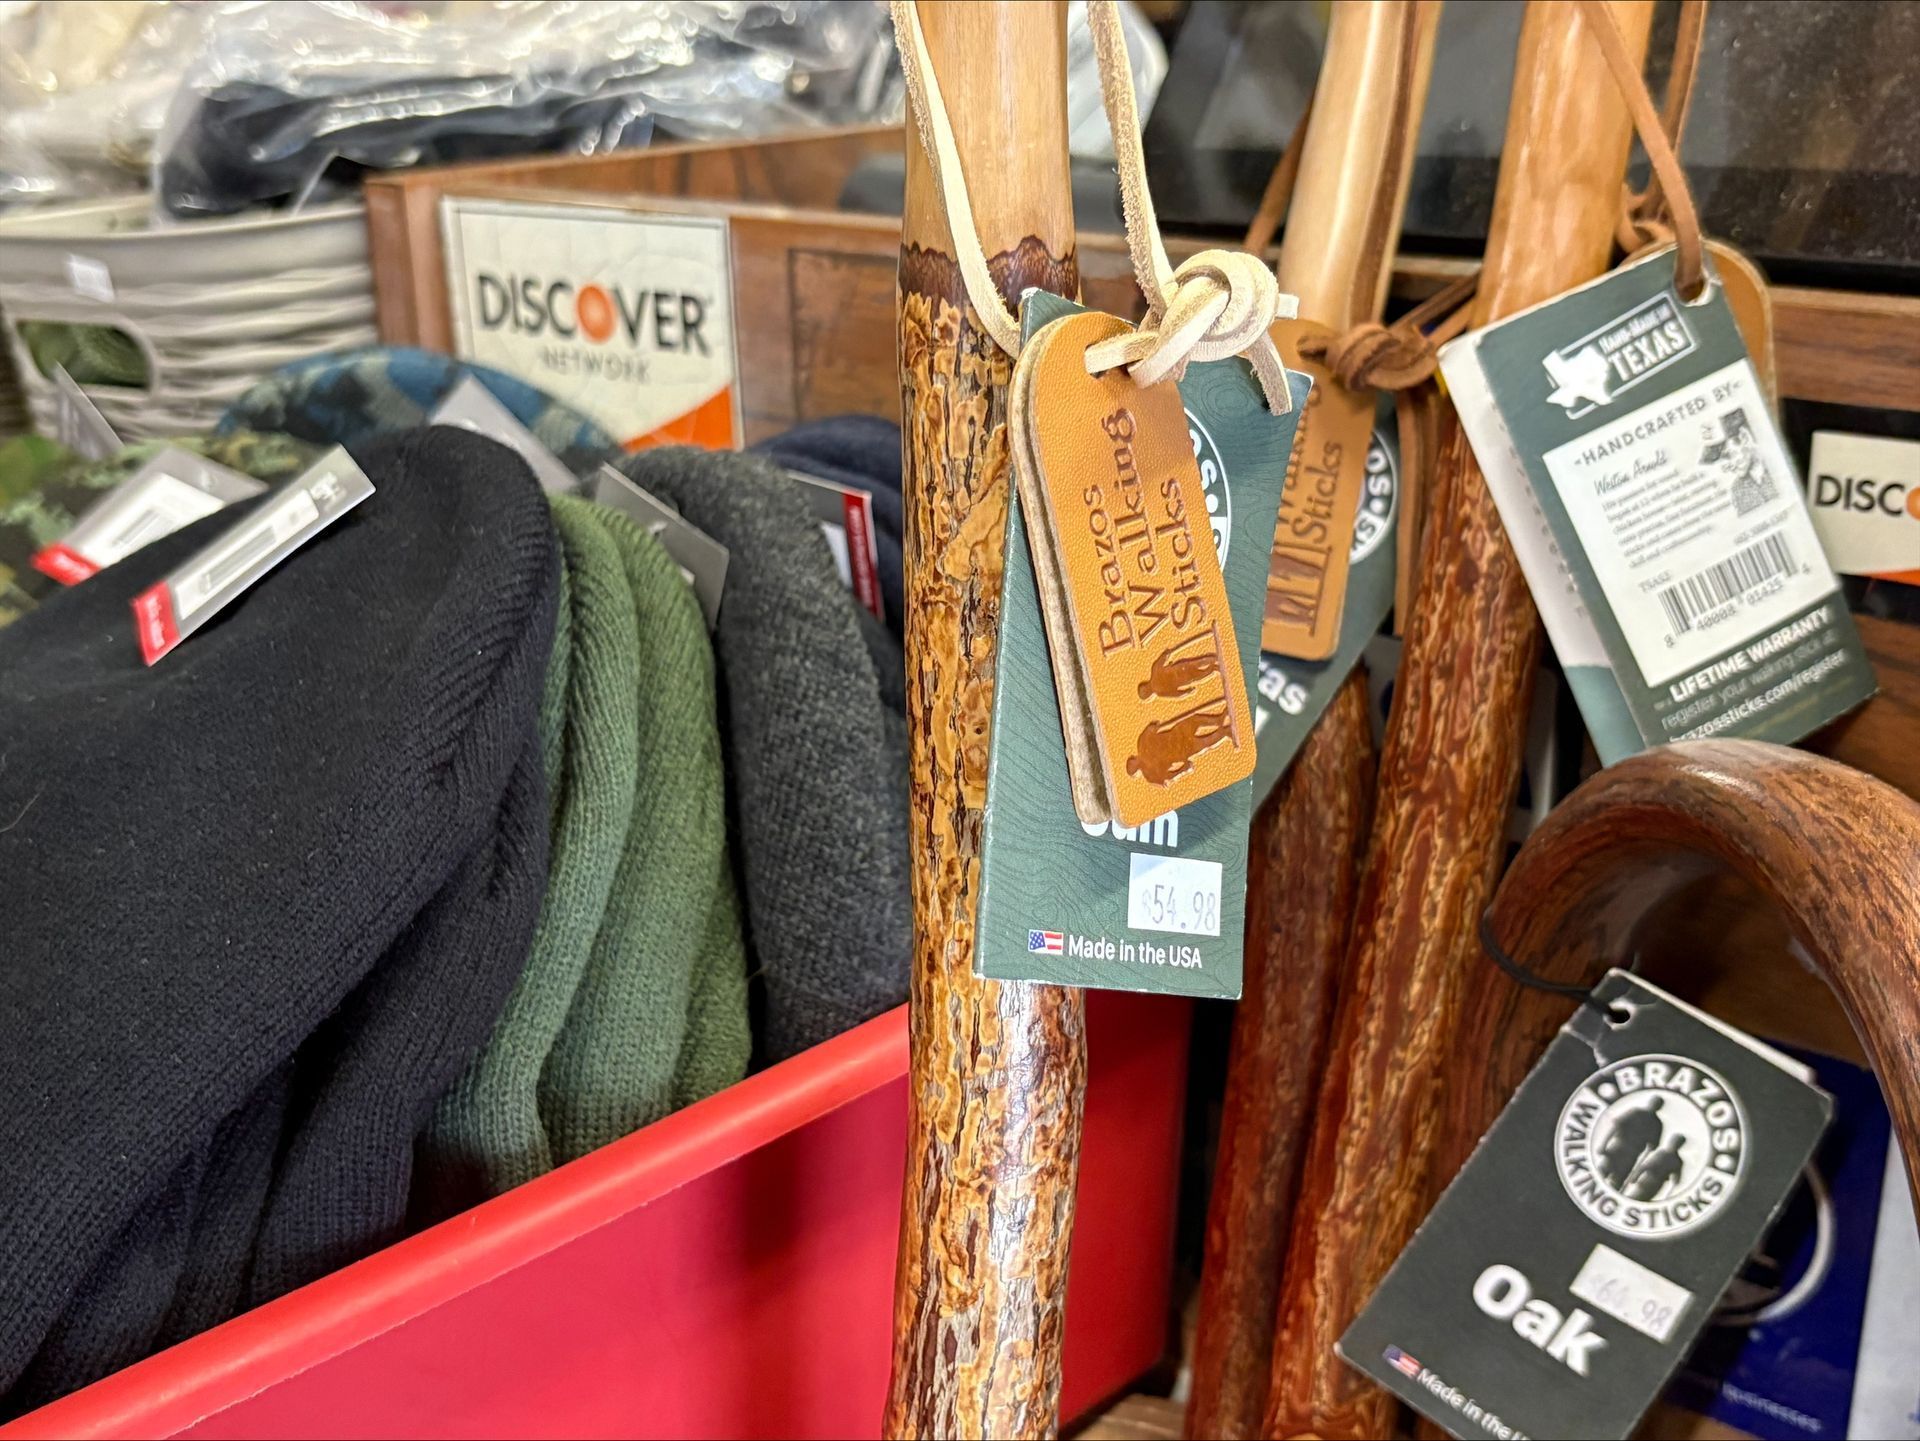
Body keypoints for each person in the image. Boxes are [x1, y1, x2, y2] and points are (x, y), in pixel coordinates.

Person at [1597, 1096, 1665, 1190]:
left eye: (1657, 1104)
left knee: (1615, 1182)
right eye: (1654, 1102)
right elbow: (1616, 1126)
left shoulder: (1656, 1124)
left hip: (1630, 1154)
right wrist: (1603, 1144)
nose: (1654, 1105)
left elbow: (1652, 1146)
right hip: (1619, 1148)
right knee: (1601, 1173)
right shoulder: (1636, 1113)